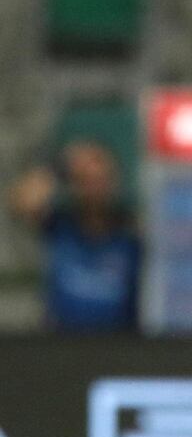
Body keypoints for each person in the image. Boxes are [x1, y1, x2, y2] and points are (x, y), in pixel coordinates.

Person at [8, 140, 140, 331]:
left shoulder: (130, 238)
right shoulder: (59, 228)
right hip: (62, 344)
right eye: (86, 180)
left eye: (101, 180)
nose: (94, 189)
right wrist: (59, 167)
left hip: (118, 345)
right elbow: (21, 202)